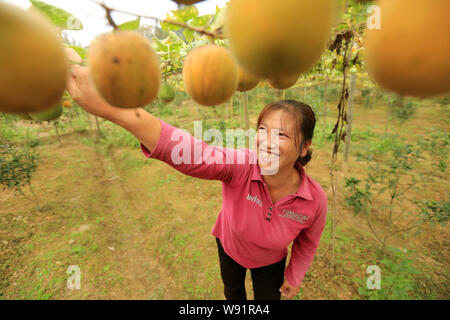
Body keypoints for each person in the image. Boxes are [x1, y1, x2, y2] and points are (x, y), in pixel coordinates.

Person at [65, 48, 328, 300]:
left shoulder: (314, 200)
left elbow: (308, 243)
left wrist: (294, 276)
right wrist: (113, 107)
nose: (266, 141)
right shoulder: (241, 165)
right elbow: (193, 153)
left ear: (304, 146)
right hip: (229, 248)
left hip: (271, 262)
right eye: (262, 130)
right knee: (233, 293)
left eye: (281, 134)